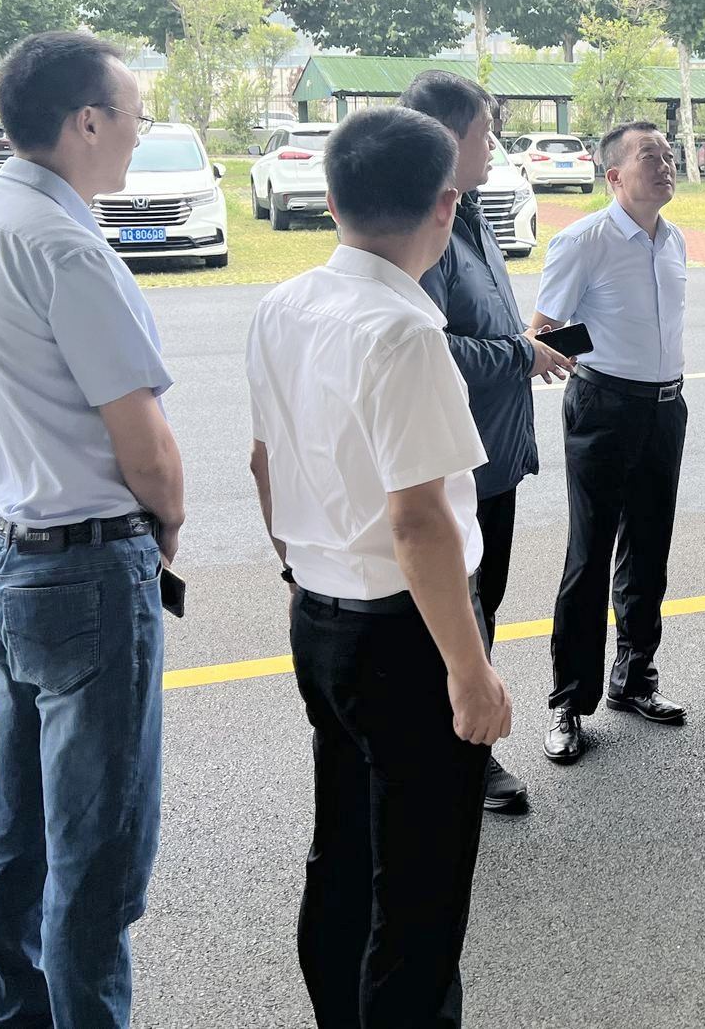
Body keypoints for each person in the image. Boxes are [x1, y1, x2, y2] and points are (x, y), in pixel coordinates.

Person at [0, 30, 184, 1029]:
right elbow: (146, 448)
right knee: (98, 852)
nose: (138, 133)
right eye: (133, 116)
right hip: (86, 568)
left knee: (19, 823)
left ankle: (14, 1015)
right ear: (86, 122)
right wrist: (167, 525)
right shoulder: (69, 248)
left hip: (1, 553)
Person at [246, 107, 514, 1025]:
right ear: (446, 206)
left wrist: (300, 572)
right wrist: (470, 671)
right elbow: (420, 521)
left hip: (321, 615)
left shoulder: (282, 306)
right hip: (408, 635)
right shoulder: (405, 333)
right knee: (420, 888)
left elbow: (263, 463)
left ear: (331, 202)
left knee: (346, 853)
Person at [402, 70, 573, 815]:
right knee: (457, 618)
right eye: (486, 132)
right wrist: (518, 355)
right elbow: (427, 350)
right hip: (454, 467)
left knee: (482, 607)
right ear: (446, 139)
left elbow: (482, 325)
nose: (495, 146)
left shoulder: (469, 213)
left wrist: (523, 345)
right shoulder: (424, 232)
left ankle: (463, 748)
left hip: (494, 458)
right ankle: (459, 759)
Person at [524, 121, 690, 764]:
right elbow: (543, 333)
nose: (666, 163)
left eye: (669, 154)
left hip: (666, 409)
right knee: (590, 554)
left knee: (649, 548)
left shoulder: (672, 239)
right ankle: (569, 700)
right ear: (615, 175)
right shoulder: (583, 240)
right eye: (651, 155)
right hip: (604, 408)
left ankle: (635, 676)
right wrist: (581, 350)